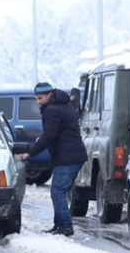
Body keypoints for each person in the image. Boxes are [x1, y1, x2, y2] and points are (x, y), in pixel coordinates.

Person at [17, 82, 87, 237]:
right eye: (36, 98)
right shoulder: (63, 104)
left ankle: (65, 227)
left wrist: (30, 152)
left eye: (40, 98)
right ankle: (59, 225)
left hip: (68, 156)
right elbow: (54, 132)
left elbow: (50, 135)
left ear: (49, 95)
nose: (38, 102)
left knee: (58, 191)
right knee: (58, 191)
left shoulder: (52, 110)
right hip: (72, 155)